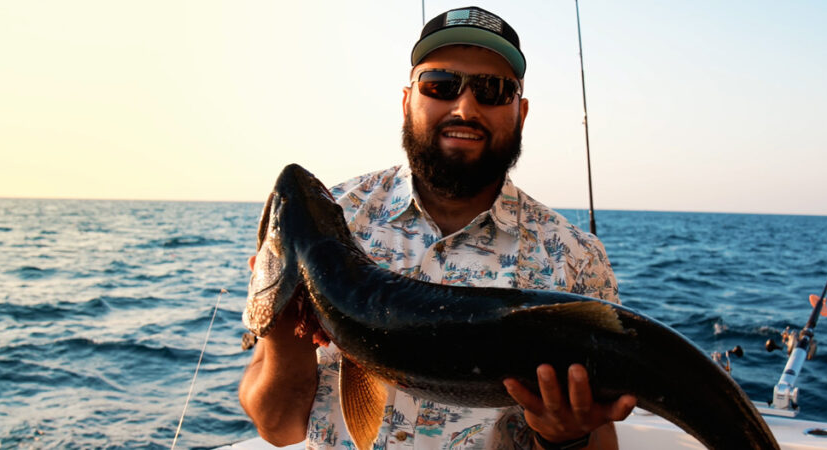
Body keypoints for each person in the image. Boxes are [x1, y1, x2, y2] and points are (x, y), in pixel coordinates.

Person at [239, 6, 636, 449]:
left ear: (521, 113)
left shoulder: (575, 256)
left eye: (493, 90)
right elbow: (279, 428)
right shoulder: (336, 220)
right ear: (407, 100)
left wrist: (566, 437)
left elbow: (603, 437)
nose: (465, 107)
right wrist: (283, 327)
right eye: (440, 86)